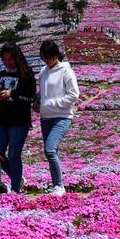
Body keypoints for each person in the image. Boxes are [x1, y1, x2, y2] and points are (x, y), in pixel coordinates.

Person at [34, 40, 80, 196]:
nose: (47, 61)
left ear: (55, 55)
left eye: (49, 57)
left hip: (61, 116)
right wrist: (38, 100)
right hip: (45, 117)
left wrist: (54, 103)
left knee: (50, 149)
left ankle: (59, 186)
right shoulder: (43, 71)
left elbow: (74, 95)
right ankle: (57, 185)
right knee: (52, 151)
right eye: (44, 58)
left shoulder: (66, 71)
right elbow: (43, 91)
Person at [0, 43, 36, 194]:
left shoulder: (26, 75)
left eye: (10, 59)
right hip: (2, 120)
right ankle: (18, 178)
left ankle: (15, 188)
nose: (8, 62)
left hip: (20, 120)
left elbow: (30, 98)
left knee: (14, 154)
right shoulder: (0, 75)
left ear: (17, 58)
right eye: (5, 59)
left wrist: (12, 94)